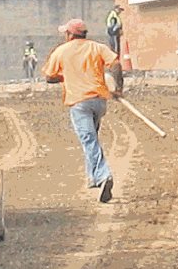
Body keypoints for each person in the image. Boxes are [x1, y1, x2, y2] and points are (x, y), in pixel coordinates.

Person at [43, 19, 123, 203]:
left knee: (89, 140)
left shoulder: (61, 51)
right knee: (91, 138)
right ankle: (93, 177)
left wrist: (66, 76)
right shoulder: (97, 47)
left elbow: (49, 77)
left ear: (70, 34)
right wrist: (118, 88)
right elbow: (116, 64)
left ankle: (103, 175)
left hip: (79, 103)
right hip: (99, 101)